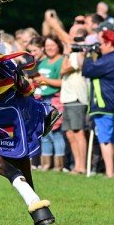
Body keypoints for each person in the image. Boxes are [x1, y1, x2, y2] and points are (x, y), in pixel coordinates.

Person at [82, 30, 114, 178]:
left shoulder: (110, 60)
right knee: (113, 139)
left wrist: (89, 55)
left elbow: (87, 70)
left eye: (101, 44)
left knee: (105, 140)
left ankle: (110, 173)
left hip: (105, 104)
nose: (99, 47)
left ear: (109, 43)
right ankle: (113, 171)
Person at [32, 36, 65, 171]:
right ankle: (46, 164)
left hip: (54, 99)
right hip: (41, 99)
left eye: (52, 45)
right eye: (47, 45)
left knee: (56, 133)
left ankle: (59, 165)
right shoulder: (43, 62)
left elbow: (62, 82)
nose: (50, 48)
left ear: (58, 46)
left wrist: (44, 80)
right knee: (45, 133)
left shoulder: (62, 61)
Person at [60, 32, 89, 174]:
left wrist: (66, 54)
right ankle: (77, 166)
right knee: (70, 133)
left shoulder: (79, 53)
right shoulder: (71, 54)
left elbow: (63, 70)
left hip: (77, 97)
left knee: (78, 132)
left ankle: (82, 166)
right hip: (67, 97)